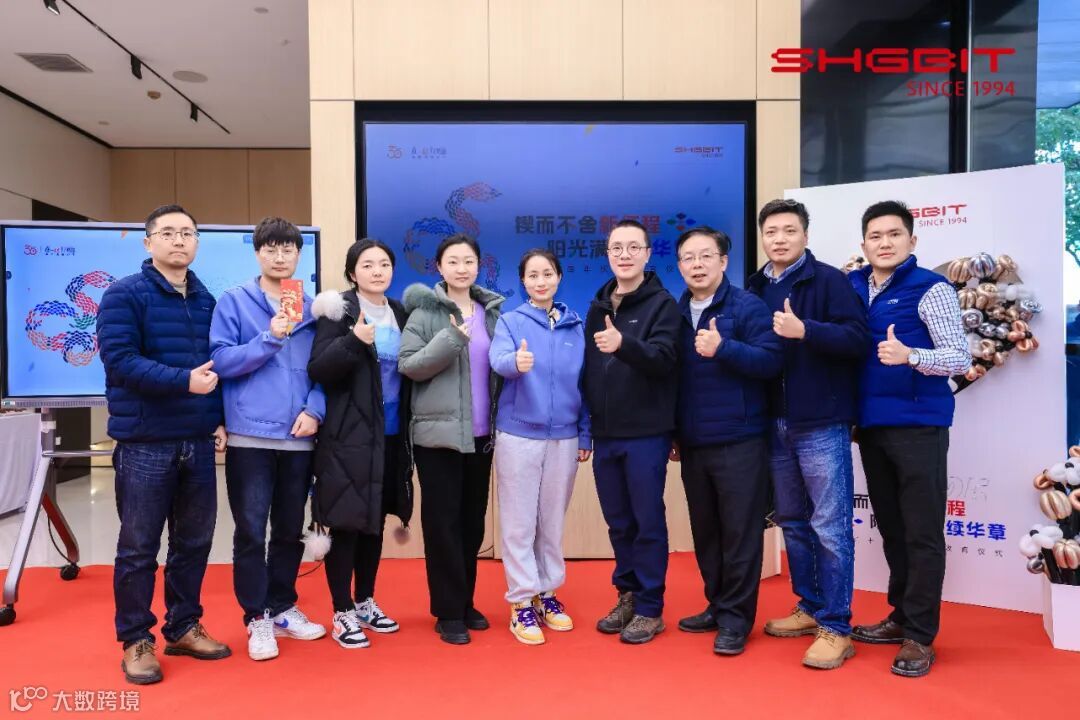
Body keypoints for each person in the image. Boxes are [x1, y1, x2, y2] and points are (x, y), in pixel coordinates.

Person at [97, 204, 230, 685]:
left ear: (196, 243)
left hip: (197, 440)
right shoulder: (123, 294)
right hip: (145, 442)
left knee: (194, 542)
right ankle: (136, 639)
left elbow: (216, 367)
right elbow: (120, 361)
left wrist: (217, 417)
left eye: (187, 233)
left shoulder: (206, 299)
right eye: (168, 233)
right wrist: (182, 382)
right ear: (148, 242)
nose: (179, 240)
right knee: (138, 548)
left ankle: (183, 626)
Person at [847, 200, 971, 677]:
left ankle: (920, 635)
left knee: (921, 532)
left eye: (894, 234)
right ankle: (900, 617)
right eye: (875, 236)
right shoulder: (853, 286)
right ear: (864, 244)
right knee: (893, 529)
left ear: (912, 240)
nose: (885, 243)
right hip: (870, 426)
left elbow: (959, 357)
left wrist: (912, 355)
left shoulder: (931, 288)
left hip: (919, 425)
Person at [746, 199, 869, 669]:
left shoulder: (830, 281)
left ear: (805, 235)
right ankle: (810, 606)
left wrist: (807, 330)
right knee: (793, 523)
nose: (779, 239)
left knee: (830, 527)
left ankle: (837, 626)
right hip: (774, 422)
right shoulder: (755, 287)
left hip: (821, 422)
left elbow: (858, 340)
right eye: (771, 232)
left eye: (789, 230)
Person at [209, 217, 327, 661]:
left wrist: (315, 410)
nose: (280, 257)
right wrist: (269, 338)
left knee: (289, 531)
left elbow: (326, 371)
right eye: (271, 249)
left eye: (288, 249)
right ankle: (255, 616)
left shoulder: (312, 308)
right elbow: (221, 361)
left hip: (299, 438)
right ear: (258, 253)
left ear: (299, 255)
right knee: (250, 531)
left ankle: (282, 606)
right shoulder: (234, 301)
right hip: (251, 437)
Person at [671, 225, 782, 656]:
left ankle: (736, 619)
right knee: (708, 532)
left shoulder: (747, 306)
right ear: (680, 265)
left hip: (740, 439)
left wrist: (725, 348)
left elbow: (772, 361)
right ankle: (717, 606)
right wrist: (675, 433)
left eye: (705, 256)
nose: (697, 265)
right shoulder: (677, 311)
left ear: (723, 261)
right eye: (688, 258)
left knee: (740, 534)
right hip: (694, 441)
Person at [398, 233, 504, 645]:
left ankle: (465, 601)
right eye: (453, 261)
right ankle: (447, 611)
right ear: (439, 267)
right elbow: (410, 366)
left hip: (481, 437)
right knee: (443, 525)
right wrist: (451, 338)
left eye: (469, 261)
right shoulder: (424, 313)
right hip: (438, 438)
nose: (462, 268)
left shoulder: (492, 312)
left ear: (479, 266)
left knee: (472, 524)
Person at [308, 238, 414, 649]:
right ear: (352, 273)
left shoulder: (401, 312)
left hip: (391, 435)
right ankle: (341, 611)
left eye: (384, 264)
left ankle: (365, 600)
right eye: (367, 265)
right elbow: (319, 368)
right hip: (348, 436)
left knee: (375, 521)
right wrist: (354, 340)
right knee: (346, 523)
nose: (377, 271)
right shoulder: (339, 310)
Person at [583, 219, 681, 645]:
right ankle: (627, 595)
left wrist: (624, 344)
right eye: (616, 248)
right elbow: (588, 371)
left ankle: (650, 607)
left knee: (646, 521)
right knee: (618, 522)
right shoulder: (597, 306)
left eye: (632, 247)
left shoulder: (663, 305)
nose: (624, 255)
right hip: (606, 433)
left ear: (647, 253)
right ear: (608, 254)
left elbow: (664, 360)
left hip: (646, 433)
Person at [489, 249, 591, 645]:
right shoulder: (511, 321)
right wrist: (516, 363)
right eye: (532, 275)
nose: (540, 281)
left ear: (559, 277)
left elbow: (586, 385)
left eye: (547, 273)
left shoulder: (576, 326)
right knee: (519, 523)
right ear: (523, 281)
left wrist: (584, 433)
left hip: (564, 437)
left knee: (551, 522)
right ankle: (521, 601)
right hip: (518, 435)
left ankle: (546, 593)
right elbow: (498, 360)